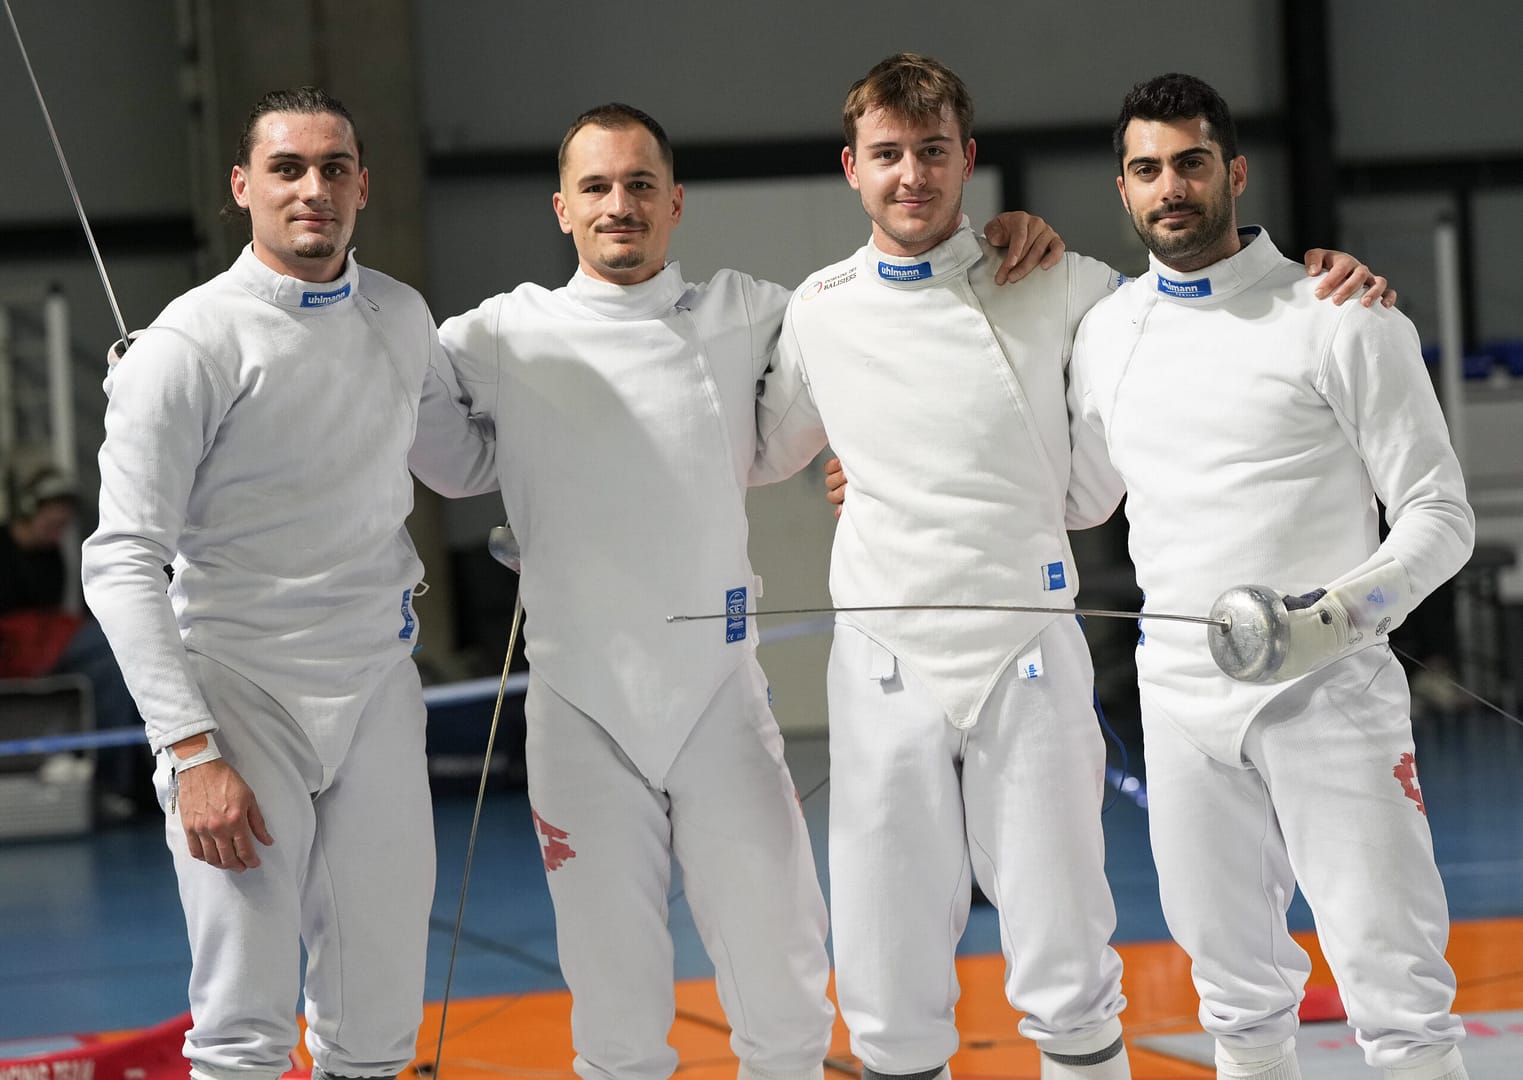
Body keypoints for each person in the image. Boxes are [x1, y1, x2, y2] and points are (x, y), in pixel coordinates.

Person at [753, 54, 1388, 1080]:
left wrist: (1318, 281)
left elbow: (1188, 309)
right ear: (850, 168)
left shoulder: (1055, 279)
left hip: (1028, 656)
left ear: (966, 159)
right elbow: (745, 450)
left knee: (1062, 954)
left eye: (929, 153)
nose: (909, 176)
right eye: (885, 156)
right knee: (881, 962)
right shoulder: (816, 312)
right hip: (881, 666)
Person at [435, 102, 1062, 1080]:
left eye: (640, 184)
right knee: (612, 1013)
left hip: (719, 700)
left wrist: (1004, 241)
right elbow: (386, 405)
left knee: (782, 990)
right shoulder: (495, 336)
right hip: (576, 709)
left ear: (675, 201)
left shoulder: (752, 309)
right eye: (596, 187)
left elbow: (892, 324)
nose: (619, 205)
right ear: (561, 207)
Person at [81, 87, 495, 1080]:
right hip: (240, 695)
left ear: (362, 184)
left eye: (333, 168)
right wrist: (190, 753)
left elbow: (463, 463)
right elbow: (121, 559)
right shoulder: (189, 344)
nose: (313, 189)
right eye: (287, 169)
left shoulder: (399, 315)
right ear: (243, 187)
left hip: (377, 691)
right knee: (244, 1026)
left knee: (379, 1016)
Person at [1065, 73, 1471, 1080]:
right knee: (1235, 1002)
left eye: (1191, 163)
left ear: (1233, 172)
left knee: (1398, 997)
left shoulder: (1337, 311)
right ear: (1121, 188)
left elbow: (1438, 514)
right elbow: (1072, 498)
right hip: (1180, 703)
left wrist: (1331, 621)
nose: (1170, 187)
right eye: (1146, 169)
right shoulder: (1106, 334)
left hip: (1328, 692)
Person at [0, 466, 146, 817]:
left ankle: (124, 781)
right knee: (117, 641)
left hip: (47, 647)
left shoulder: (52, 556)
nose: (58, 530)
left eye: (62, 525)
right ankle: (118, 779)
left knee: (117, 668)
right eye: (53, 522)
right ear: (27, 509)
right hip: (17, 649)